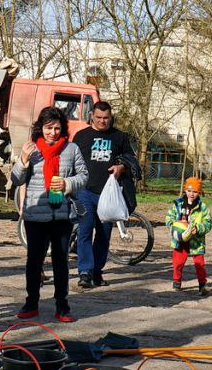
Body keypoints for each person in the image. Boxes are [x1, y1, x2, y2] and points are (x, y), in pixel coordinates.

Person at [11, 105, 88, 323]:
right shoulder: (31, 149)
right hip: (35, 216)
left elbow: (83, 177)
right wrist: (23, 160)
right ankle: (31, 302)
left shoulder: (71, 149)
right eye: (48, 128)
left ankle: (62, 305)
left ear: (63, 129)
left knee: (60, 261)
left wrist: (67, 183)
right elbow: (16, 180)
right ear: (41, 128)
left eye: (57, 128)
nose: (52, 132)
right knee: (34, 260)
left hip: (62, 215)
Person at [72, 100, 141, 289]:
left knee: (103, 235)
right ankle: (84, 272)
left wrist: (121, 167)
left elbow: (131, 160)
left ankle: (96, 272)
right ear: (92, 117)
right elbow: (71, 162)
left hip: (108, 195)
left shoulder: (119, 137)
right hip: (85, 192)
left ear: (111, 117)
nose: (103, 121)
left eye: (106, 118)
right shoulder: (81, 136)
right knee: (85, 232)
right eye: (99, 118)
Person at [167, 176, 212, 295]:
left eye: (195, 191)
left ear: (199, 192)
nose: (192, 194)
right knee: (177, 263)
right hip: (180, 241)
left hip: (196, 242)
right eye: (189, 191)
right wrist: (173, 226)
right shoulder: (177, 204)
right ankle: (176, 282)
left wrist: (197, 229)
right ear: (185, 190)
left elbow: (208, 223)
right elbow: (169, 218)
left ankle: (202, 285)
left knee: (200, 265)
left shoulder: (203, 208)